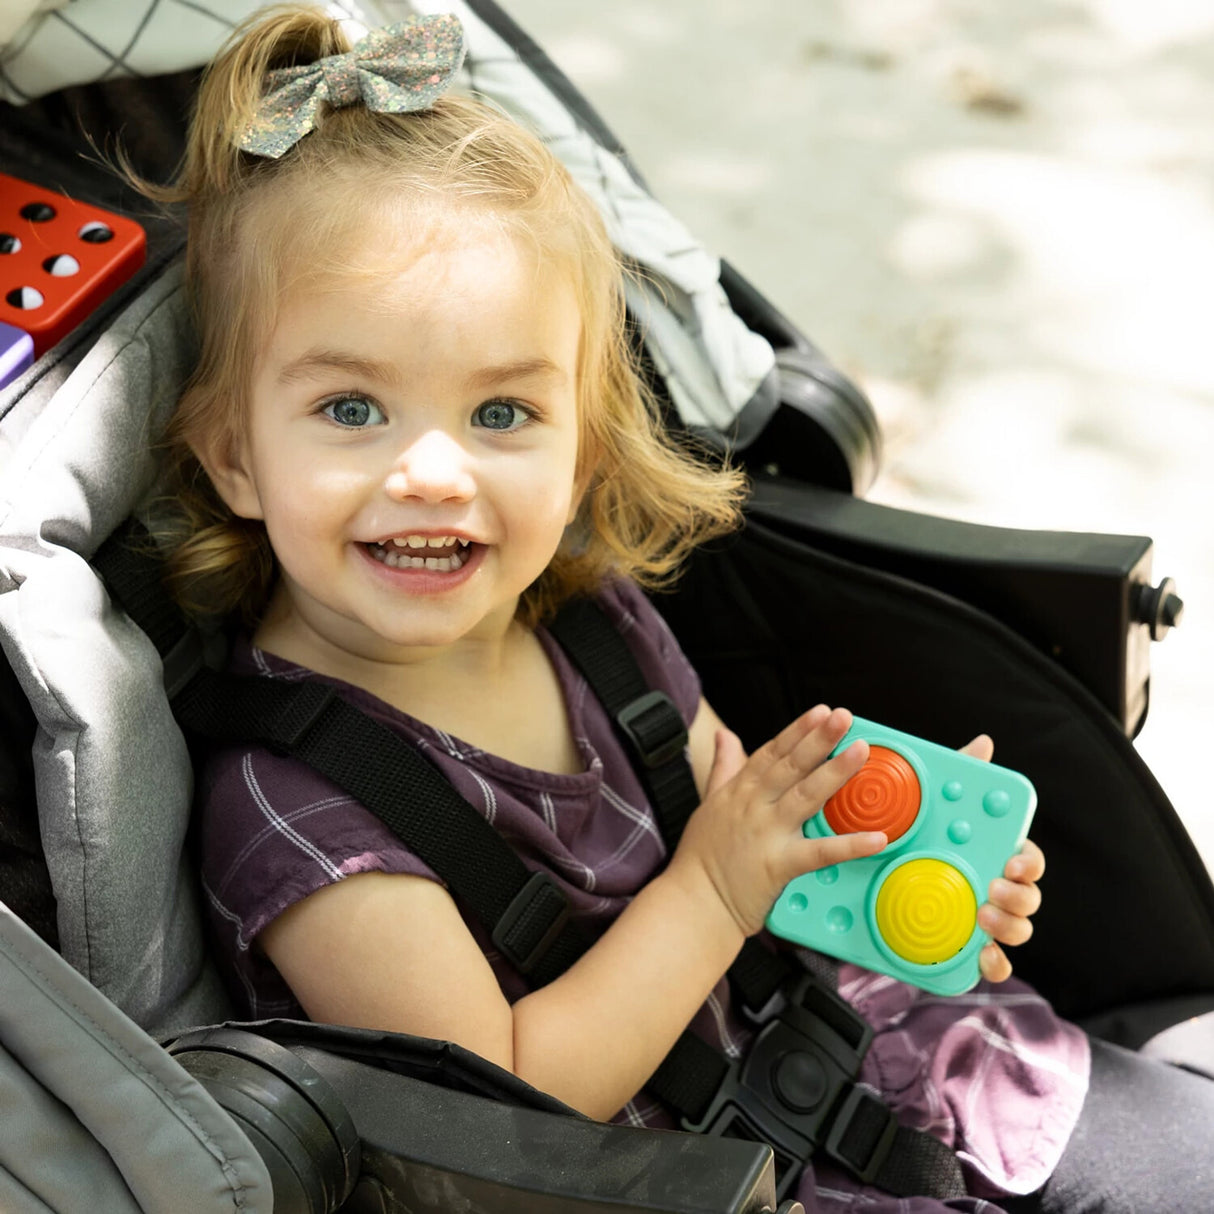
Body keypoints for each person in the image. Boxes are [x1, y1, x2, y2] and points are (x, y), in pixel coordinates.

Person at [148, 7, 1214, 1212]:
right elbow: (503, 1112)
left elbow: (740, 822)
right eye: (351, 410)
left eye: (501, 414)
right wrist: (710, 886)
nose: (434, 471)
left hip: (880, 1058)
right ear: (233, 455)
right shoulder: (298, 812)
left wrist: (894, 883)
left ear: (584, 457)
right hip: (684, 1178)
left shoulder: (587, 617)